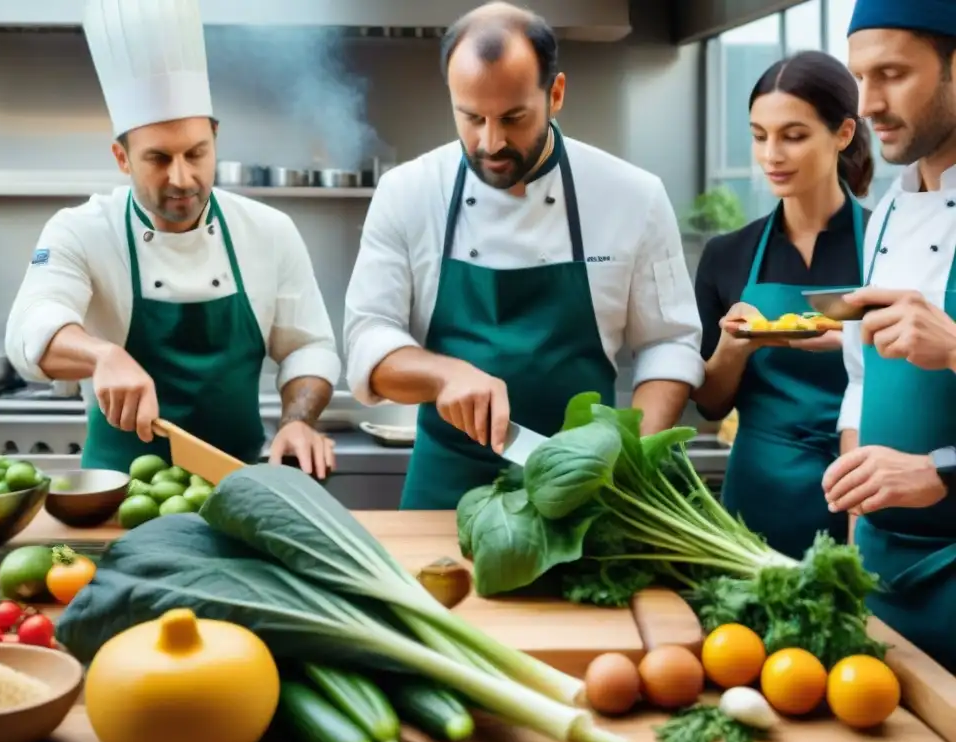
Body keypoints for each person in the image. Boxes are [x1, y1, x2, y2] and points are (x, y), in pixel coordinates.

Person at [342, 2, 704, 511]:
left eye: (513, 118)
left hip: (586, 489)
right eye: (471, 118)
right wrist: (446, 375)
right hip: (445, 488)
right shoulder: (407, 192)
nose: (491, 142)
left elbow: (670, 344)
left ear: (555, 94)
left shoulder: (633, 196)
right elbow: (367, 341)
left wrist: (629, 459)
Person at [4, 0, 341, 479]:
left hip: (240, 488)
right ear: (122, 158)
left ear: (215, 139)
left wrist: (298, 421)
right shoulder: (80, 229)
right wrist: (102, 354)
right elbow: (28, 331)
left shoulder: (268, 230)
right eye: (158, 158)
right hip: (119, 495)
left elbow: (308, 347)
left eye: (196, 153)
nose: (182, 178)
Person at [692, 51, 874, 560]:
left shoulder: (889, 245)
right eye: (758, 135)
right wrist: (734, 348)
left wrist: (854, 342)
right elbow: (710, 404)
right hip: (756, 504)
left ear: (842, 134)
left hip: (860, 488)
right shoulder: (728, 255)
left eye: (793, 135)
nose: (771, 154)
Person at [821, 0, 956, 672]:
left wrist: (941, 471)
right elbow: (862, 383)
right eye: (860, 77)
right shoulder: (885, 220)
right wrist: (851, 539)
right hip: (876, 578)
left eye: (893, 74)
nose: (867, 104)